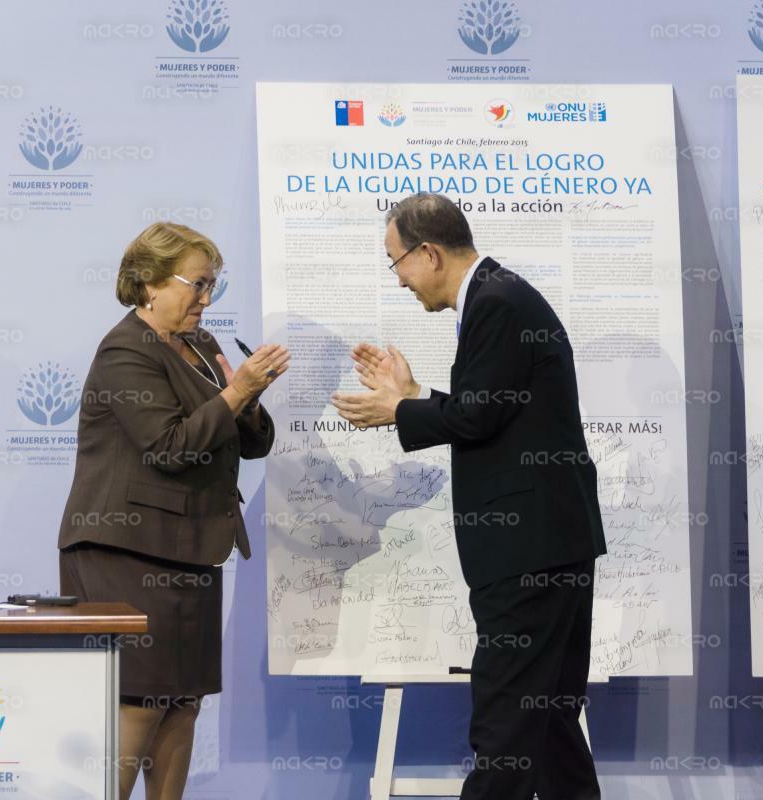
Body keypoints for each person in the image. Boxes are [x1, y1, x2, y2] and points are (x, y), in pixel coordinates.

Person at [331, 193, 607, 799]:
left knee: (507, 728)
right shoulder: (499, 296)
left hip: (529, 553)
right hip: (549, 544)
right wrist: (414, 394)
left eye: (396, 262)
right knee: (550, 719)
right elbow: (492, 409)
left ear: (428, 252)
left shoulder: (498, 303)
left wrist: (398, 408)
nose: (399, 279)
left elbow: (477, 418)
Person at [58, 222, 289, 800]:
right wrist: (234, 395)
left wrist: (247, 395)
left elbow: (252, 442)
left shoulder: (205, 348)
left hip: (190, 548)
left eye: (214, 286)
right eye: (198, 284)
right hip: (127, 551)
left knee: (182, 702)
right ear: (149, 283)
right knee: (140, 699)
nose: (207, 300)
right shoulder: (124, 349)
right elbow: (167, 447)